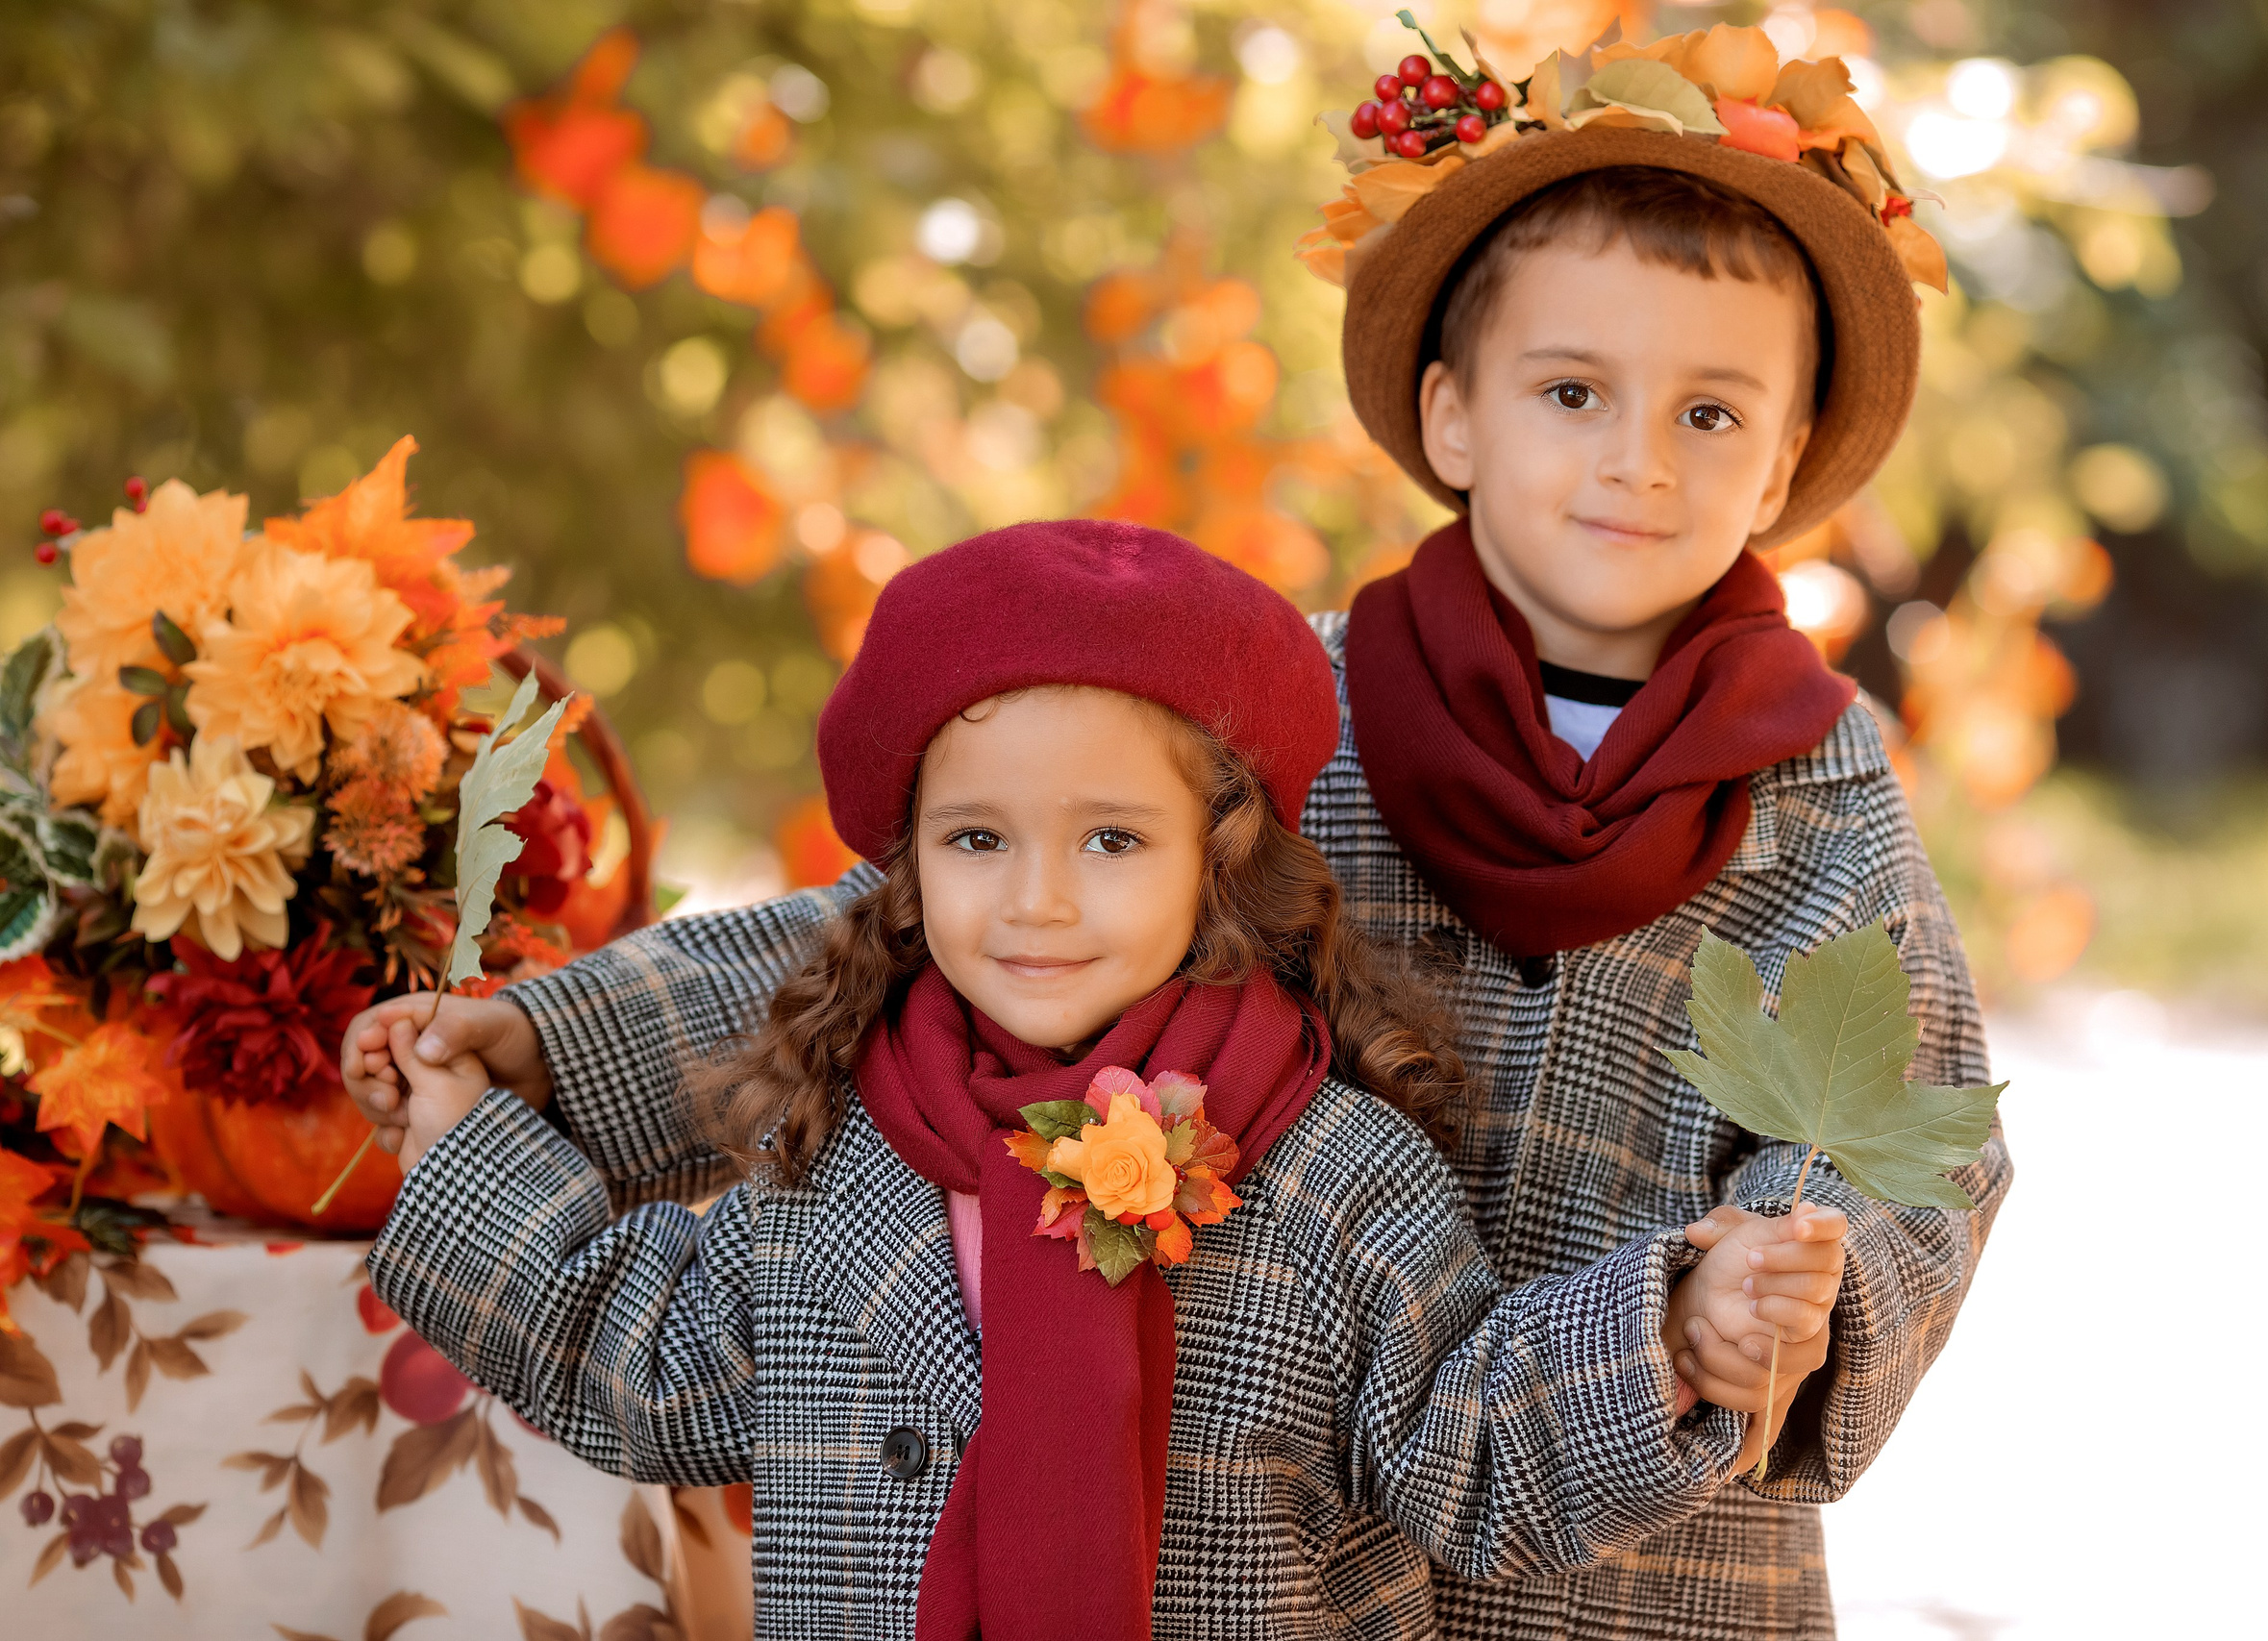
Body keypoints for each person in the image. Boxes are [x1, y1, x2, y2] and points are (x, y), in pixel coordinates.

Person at [350, 29, 2005, 1636]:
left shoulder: (1820, 799)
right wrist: (552, 1047)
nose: (1635, 461)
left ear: (1786, 456)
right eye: (1572, 390)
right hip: (1274, 1489)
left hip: (1647, 1559)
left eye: (1709, 417)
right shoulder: (1294, 710)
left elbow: (1896, 1121)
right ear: (1451, 420)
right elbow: (916, 923)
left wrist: (1759, 1299)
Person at [364, 522, 1846, 1637]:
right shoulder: (833, 1163)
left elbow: (1463, 1446)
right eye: (979, 841)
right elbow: (641, 1352)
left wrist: (1671, 1335)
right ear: (905, 866)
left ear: (1221, 858)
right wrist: (461, 1145)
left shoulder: (1337, 1174)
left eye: (1112, 841)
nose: (1039, 904)